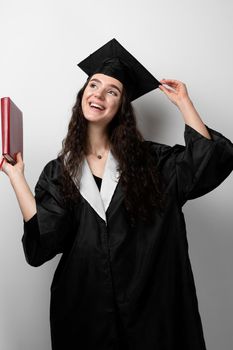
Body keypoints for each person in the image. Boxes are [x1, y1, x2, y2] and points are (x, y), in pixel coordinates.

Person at [1, 38, 233, 350]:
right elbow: (43, 242)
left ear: (121, 107)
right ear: (83, 95)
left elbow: (210, 162)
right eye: (93, 85)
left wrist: (184, 104)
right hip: (85, 316)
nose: (98, 94)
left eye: (112, 91)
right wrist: (17, 178)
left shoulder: (153, 162)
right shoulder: (60, 172)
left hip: (150, 316)